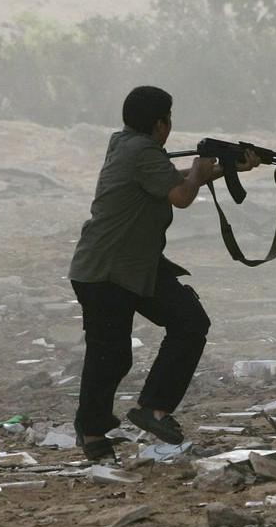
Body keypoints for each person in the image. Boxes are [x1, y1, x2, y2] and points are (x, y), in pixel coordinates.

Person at [68, 86, 259, 461]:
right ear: (160, 124)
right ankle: (92, 436)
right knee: (110, 355)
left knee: (189, 321)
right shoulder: (141, 152)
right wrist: (201, 171)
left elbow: (173, 181)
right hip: (106, 270)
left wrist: (228, 168)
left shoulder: (129, 146)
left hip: (136, 266)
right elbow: (182, 195)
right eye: (168, 119)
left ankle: (153, 410)